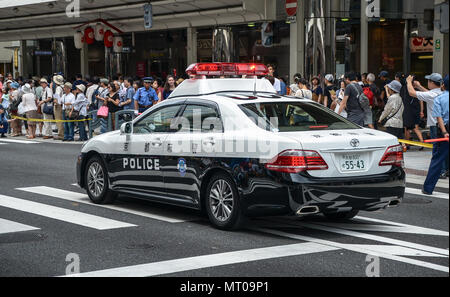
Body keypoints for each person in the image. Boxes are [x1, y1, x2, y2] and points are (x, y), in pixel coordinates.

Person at [423, 75, 449, 194]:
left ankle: (428, 188)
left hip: (444, 131)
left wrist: (444, 132)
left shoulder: (440, 98)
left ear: (443, 85)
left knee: (437, 159)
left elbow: (439, 118)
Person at [406, 73, 443, 142]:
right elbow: (429, 93)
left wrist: (408, 81)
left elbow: (411, 92)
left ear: (432, 82)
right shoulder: (441, 92)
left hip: (435, 125)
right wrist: (419, 86)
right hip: (443, 124)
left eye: (428, 81)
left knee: (436, 146)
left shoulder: (431, 95)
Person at [400, 75, 424, 147]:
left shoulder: (406, 89)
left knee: (407, 128)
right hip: (416, 110)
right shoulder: (417, 89)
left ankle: (407, 144)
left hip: (409, 111)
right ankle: (422, 142)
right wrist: (421, 111)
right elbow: (421, 101)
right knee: (415, 127)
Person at [52, 75, 65, 140]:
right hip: (62, 105)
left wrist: (55, 102)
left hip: (58, 105)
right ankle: (63, 133)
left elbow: (57, 97)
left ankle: (60, 135)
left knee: (58, 120)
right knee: (62, 119)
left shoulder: (58, 88)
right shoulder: (63, 87)